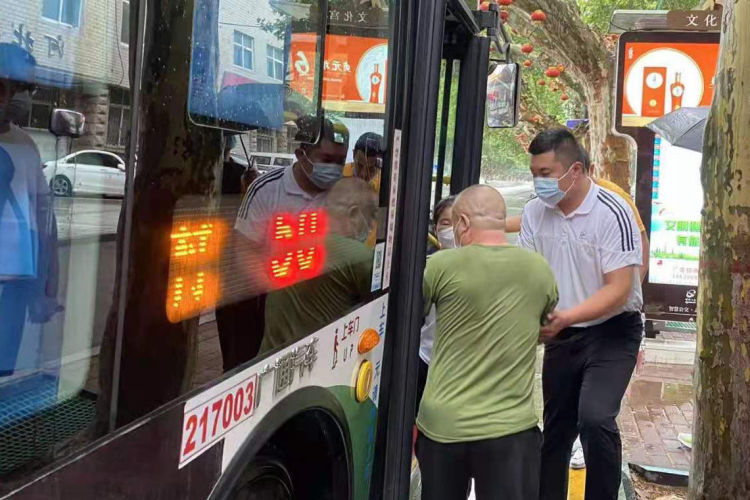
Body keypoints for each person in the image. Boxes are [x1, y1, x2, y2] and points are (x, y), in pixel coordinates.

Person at [505, 149, 650, 470]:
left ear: (580, 169)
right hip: (566, 330)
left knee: (595, 416)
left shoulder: (613, 200)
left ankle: (592, 454)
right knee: (557, 425)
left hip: (612, 326)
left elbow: (639, 247)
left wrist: (622, 297)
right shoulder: (545, 203)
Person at [417, 184, 558, 500]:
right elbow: (547, 328)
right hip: (510, 430)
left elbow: (414, 316)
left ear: (463, 224)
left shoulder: (439, 266)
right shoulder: (539, 270)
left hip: (444, 427)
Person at [215, 115, 349, 372]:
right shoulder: (266, 190)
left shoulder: (343, 197)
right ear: (301, 154)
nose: (334, 168)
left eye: (340, 162)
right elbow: (243, 252)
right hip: (262, 305)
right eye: (327, 160)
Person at [0, 43, 61, 376]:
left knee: (3, 371)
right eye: (13, 86)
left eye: (26, 89)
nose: (18, 97)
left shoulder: (26, 145)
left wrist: (48, 287)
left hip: (15, 287)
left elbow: (44, 220)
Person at [260, 177, 375, 353]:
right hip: (316, 367)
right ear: (353, 214)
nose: (372, 225)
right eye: (371, 216)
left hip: (269, 360)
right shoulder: (358, 256)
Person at [416, 195, 456, 411]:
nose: (450, 229)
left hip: (461, 370)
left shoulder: (487, 268)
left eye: (457, 222)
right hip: (427, 357)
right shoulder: (427, 266)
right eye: (445, 223)